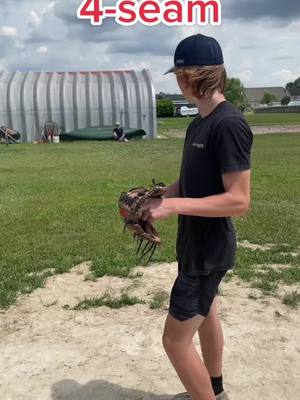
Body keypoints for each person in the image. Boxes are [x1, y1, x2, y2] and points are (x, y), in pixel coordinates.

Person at [141, 34, 253, 400]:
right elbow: (191, 180)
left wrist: (174, 207)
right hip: (195, 245)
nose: (178, 81)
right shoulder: (198, 124)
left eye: (180, 74)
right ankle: (214, 388)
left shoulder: (229, 124)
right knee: (209, 315)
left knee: (174, 342)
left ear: (199, 75)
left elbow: (238, 200)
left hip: (208, 250)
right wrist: (161, 196)